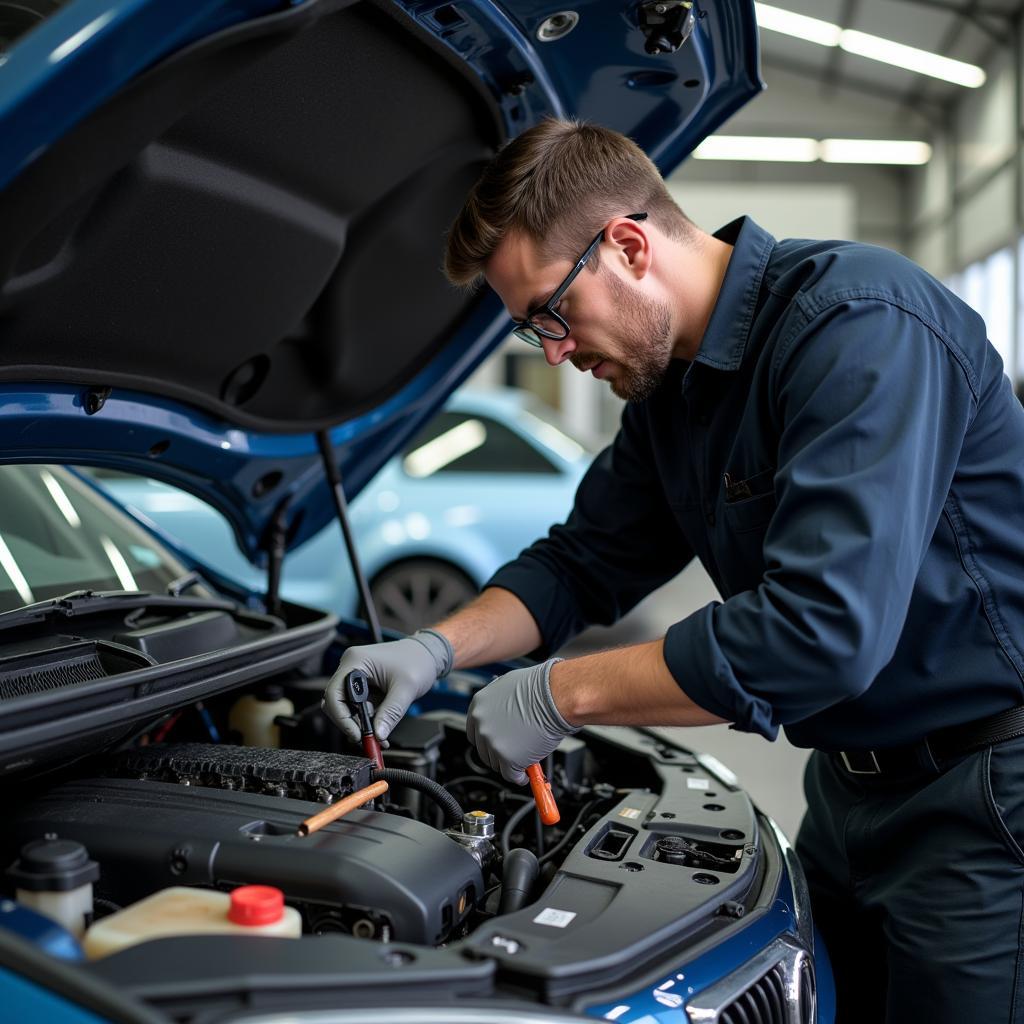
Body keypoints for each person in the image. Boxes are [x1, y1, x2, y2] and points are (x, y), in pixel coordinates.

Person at [323, 118, 1024, 1022]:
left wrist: (557, 695)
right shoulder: (673, 391)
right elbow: (580, 564)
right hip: (848, 793)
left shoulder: (859, 328)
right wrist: (434, 648)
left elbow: (818, 635)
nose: (555, 351)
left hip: (982, 798)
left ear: (627, 245)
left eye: (549, 313)